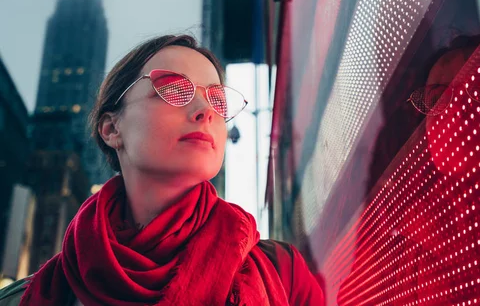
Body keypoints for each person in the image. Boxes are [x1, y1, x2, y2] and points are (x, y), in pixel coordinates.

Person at [0, 34, 324, 306]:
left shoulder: (284, 273)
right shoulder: (32, 296)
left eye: (217, 99)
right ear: (112, 129)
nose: (204, 111)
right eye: (173, 89)